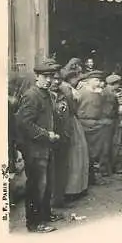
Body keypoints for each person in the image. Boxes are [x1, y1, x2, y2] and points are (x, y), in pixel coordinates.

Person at [15, 60, 64, 233]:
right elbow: (24, 123)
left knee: (46, 184)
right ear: (37, 77)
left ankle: (45, 215)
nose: (49, 80)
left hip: (45, 147)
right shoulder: (32, 95)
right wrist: (46, 134)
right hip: (35, 149)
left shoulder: (46, 94)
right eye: (45, 76)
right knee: (37, 185)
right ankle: (35, 223)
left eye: (51, 76)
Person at [57, 75, 90, 199]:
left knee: (74, 157)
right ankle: (76, 188)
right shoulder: (66, 88)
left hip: (70, 122)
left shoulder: (65, 88)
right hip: (70, 123)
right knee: (75, 157)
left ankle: (72, 189)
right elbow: (73, 105)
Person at [76, 70, 110, 184]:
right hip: (84, 124)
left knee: (97, 152)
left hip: (97, 125)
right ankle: (87, 179)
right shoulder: (80, 93)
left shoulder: (100, 93)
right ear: (88, 81)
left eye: (99, 80)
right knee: (87, 153)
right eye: (95, 80)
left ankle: (95, 177)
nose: (98, 82)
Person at [49, 71, 72, 209]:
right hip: (49, 138)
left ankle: (59, 198)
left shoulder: (63, 96)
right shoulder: (44, 97)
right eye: (54, 79)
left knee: (61, 169)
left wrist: (67, 133)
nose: (56, 82)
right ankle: (49, 201)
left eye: (59, 79)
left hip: (62, 138)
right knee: (50, 170)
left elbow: (69, 115)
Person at [103, 74, 122, 175]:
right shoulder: (110, 94)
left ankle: (106, 168)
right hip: (111, 120)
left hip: (107, 121)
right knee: (114, 144)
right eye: (118, 84)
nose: (119, 86)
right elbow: (110, 110)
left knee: (107, 144)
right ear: (114, 84)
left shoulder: (105, 91)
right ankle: (112, 166)